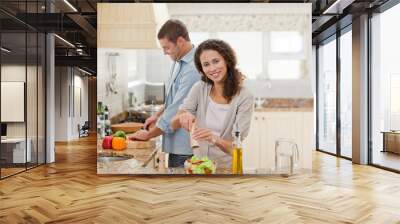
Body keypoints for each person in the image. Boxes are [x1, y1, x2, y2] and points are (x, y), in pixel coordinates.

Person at [170, 39, 254, 168]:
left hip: (226, 169)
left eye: (216, 61)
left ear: (227, 60)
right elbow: (173, 123)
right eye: (206, 64)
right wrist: (182, 116)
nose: (212, 68)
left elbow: (235, 148)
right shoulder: (199, 88)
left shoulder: (244, 97)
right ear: (201, 69)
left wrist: (214, 138)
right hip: (199, 166)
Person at [130, 19, 201, 167]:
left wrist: (149, 134)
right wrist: (157, 115)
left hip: (186, 146)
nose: (164, 52)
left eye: (167, 47)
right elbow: (172, 98)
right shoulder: (178, 61)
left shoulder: (193, 67)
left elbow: (177, 108)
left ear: (180, 41)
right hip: (176, 143)